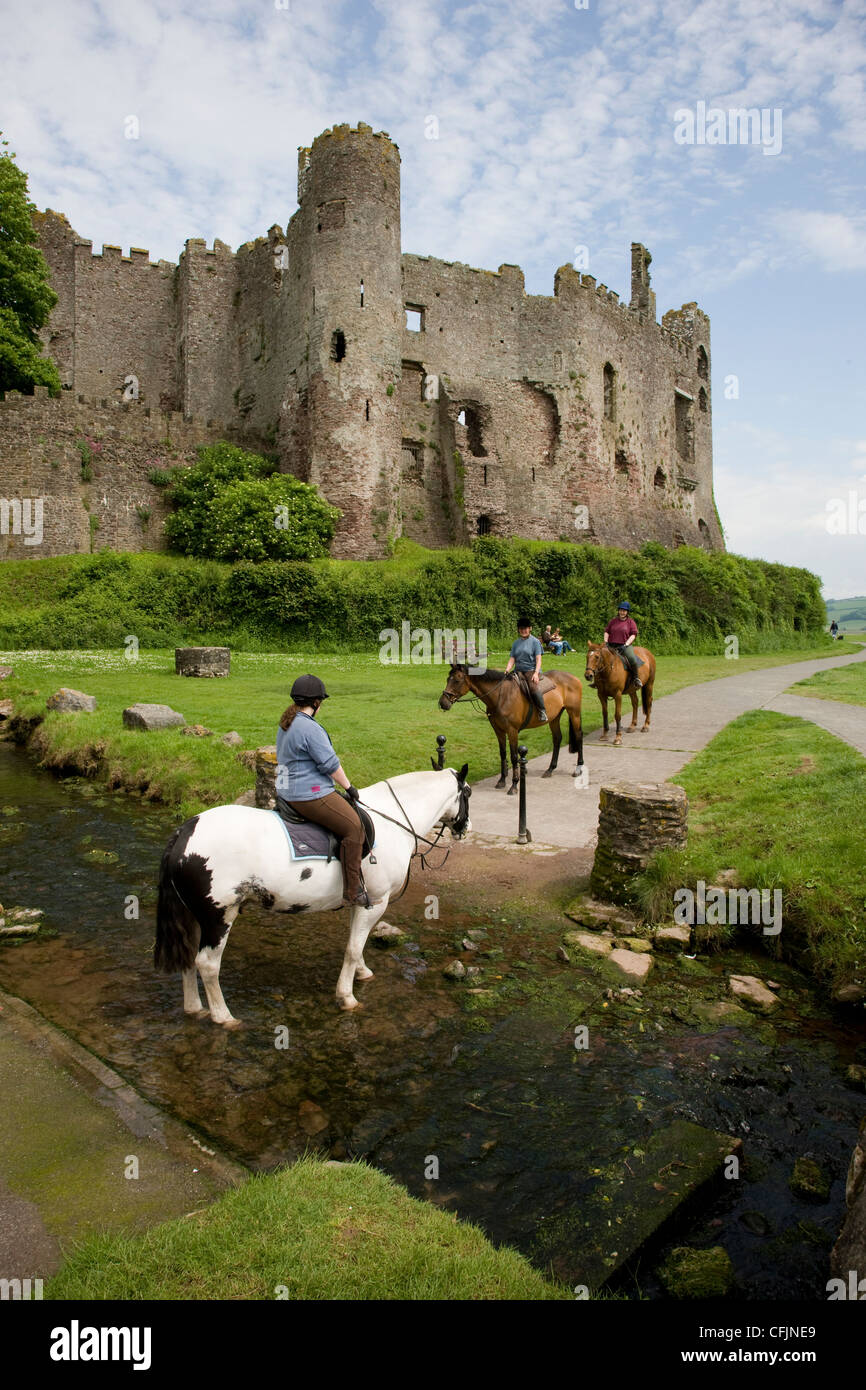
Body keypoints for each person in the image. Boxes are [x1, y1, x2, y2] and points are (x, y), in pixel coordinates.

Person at [275, 674, 369, 908]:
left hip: (286, 791)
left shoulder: (287, 722)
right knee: (354, 827)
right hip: (308, 794)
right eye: (321, 702)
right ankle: (352, 891)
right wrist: (349, 787)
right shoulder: (310, 728)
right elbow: (330, 765)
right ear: (316, 703)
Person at [504, 617, 548, 722]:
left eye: (525, 628)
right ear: (519, 630)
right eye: (521, 628)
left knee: (533, 687)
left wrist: (536, 673)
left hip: (530, 670)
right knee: (505, 684)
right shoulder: (516, 643)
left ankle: (542, 711)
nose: (523, 630)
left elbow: (538, 660)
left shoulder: (535, 642)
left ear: (530, 628)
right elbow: (512, 659)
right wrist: (507, 669)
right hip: (518, 670)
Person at [604, 601, 642, 689]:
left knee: (632, 658)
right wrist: (606, 642)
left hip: (624, 646)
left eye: (624, 611)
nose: (622, 612)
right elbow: (607, 631)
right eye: (621, 610)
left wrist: (626, 644)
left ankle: (636, 678)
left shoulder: (631, 622)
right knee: (601, 657)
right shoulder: (613, 621)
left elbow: (633, 634)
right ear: (618, 611)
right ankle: (598, 681)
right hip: (611, 645)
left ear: (627, 612)